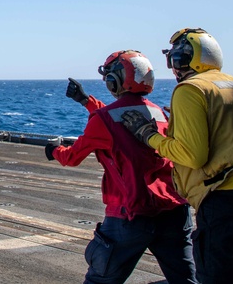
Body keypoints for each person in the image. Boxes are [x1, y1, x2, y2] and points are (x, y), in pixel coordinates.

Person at [121, 28, 233, 284]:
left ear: (181, 59)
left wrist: (148, 135)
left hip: (230, 209)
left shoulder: (190, 89)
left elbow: (192, 156)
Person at [46, 51, 197, 284]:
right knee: (187, 280)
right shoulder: (161, 114)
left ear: (114, 80)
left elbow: (72, 157)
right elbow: (123, 115)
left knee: (100, 280)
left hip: (131, 215)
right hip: (174, 211)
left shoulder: (104, 120)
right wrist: (87, 101)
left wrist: (54, 150)